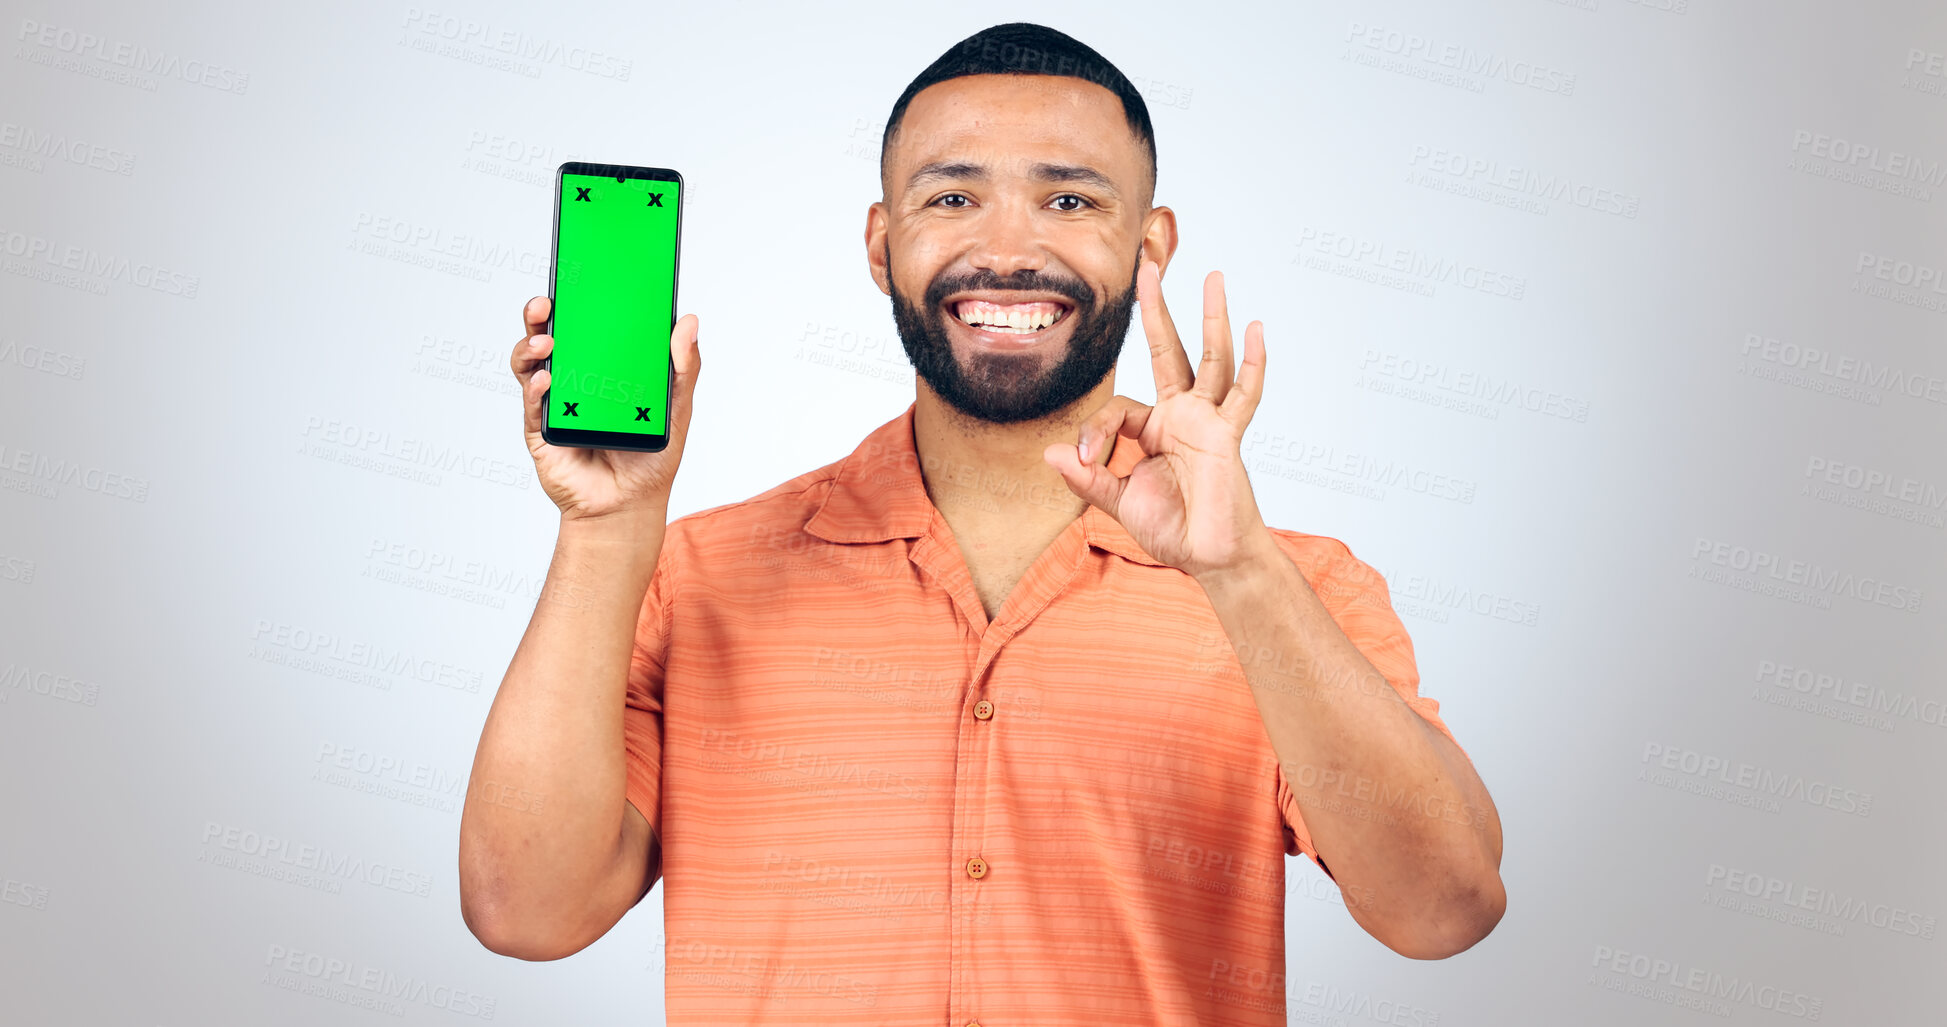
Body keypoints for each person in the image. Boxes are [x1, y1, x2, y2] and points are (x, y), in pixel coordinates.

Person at [459, 21, 1504, 1025]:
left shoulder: (1297, 588)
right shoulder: (693, 575)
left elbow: (1443, 908)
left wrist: (1238, 573)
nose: (1008, 249)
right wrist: (606, 527)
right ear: (883, 243)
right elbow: (527, 909)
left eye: (1068, 199)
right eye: (953, 195)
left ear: (1151, 246)